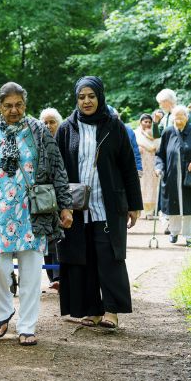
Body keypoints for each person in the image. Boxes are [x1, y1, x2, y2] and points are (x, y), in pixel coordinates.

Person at [0, 82, 73, 346]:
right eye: (8, 105)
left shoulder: (39, 130)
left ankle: (27, 326)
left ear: (25, 105)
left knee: (31, 273)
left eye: (19, 105)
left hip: (31, 215)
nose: (14, 110)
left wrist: (66, 205)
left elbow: (58, 168)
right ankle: (2, 314)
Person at [56, 76, 143, 329]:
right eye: (81, 97)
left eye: (91, 96)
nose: (86, 101)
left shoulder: (114, 126)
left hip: (108, 205)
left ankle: (112, 311)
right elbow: (58, 169)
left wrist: (134, 205)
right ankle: (91, 310)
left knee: (109, 256)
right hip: (75, 209)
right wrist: (62, 204)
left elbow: (128, 167)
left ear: (100, 97)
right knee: (84, 258)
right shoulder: (66, 128)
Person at [155, 106, 191, 246]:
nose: (178, 120)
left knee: (190, 207)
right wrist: (159, 167)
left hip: (190, 177)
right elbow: (160, 155)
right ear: (172, 117)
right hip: (171, 177)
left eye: (181, 117)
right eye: (176, 117)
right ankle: (173, 232)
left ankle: (190, 236)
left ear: (187, 117)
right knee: (173, 206)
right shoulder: (168, 132)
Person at [38, 106, 64, 289]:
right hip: (43, 197)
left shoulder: (64, 140)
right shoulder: (37, 143)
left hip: (62, 195)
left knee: (60, 236)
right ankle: (53, 277)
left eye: (52, 122)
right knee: (47, 236)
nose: (48, 126)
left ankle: (60, 276)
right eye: (45, 122)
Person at [134, 114, 160, 214]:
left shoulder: (155, 133)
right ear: (140, 122)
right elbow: (132, 146)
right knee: (141, 184)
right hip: (141, 162)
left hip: (152, 162)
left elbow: (157, 146)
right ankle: (140, 210)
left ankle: (150, 211)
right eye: (145, 122)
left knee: (152, 185)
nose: (148, 124)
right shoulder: (136, 133)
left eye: (149, 122)